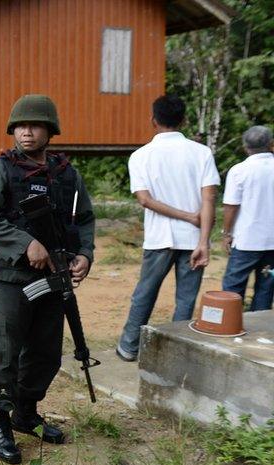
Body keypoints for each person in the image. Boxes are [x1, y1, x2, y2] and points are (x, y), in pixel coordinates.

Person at [0, 95, 95, 464]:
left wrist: (84, 255)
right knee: (4, 350)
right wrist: (27, 243)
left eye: (35, 125)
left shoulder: (67, 175)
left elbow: (84, 220)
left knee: (46, 352)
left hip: (55, 279)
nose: (26, 132)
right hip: (15, 278)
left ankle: (25, 413)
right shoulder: (1, 171)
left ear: (50, 130)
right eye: (20, 126)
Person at [116, 95, 218, 362]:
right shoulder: (202, 153)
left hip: (159, 238)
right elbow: (209, 199)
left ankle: (129, 346)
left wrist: (185, 217)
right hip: (194, 240)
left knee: (145, 294)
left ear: (153, 120)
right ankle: (177, 351)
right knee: (186, 299)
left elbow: (145, 200)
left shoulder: (141, 156)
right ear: (183, 120)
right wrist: (204, 241)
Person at [220, 125, 274, 311]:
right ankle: (258, 333)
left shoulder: (239, 170)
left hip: (246, 241)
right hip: (272, 242)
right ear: (271, 145)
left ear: (245, 147)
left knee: (233, 289)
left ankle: (231, 326)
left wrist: (226, 233)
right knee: (266, 288)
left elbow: (231, 206)